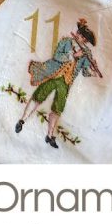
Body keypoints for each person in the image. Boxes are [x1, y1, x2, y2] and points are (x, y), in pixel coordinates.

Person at [15, 18, 100, 149]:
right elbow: (57, 56)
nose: (78, 36)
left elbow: (85, 72)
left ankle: (49, 136)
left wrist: (93, 71)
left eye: (82, 36)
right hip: (54, 74)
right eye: (79, 33)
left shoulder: (87, 53)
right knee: (39, 95)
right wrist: (73, 55)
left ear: (86, 41)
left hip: (66, 83)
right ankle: (23, 120)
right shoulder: (66, 41)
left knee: (58, 108)